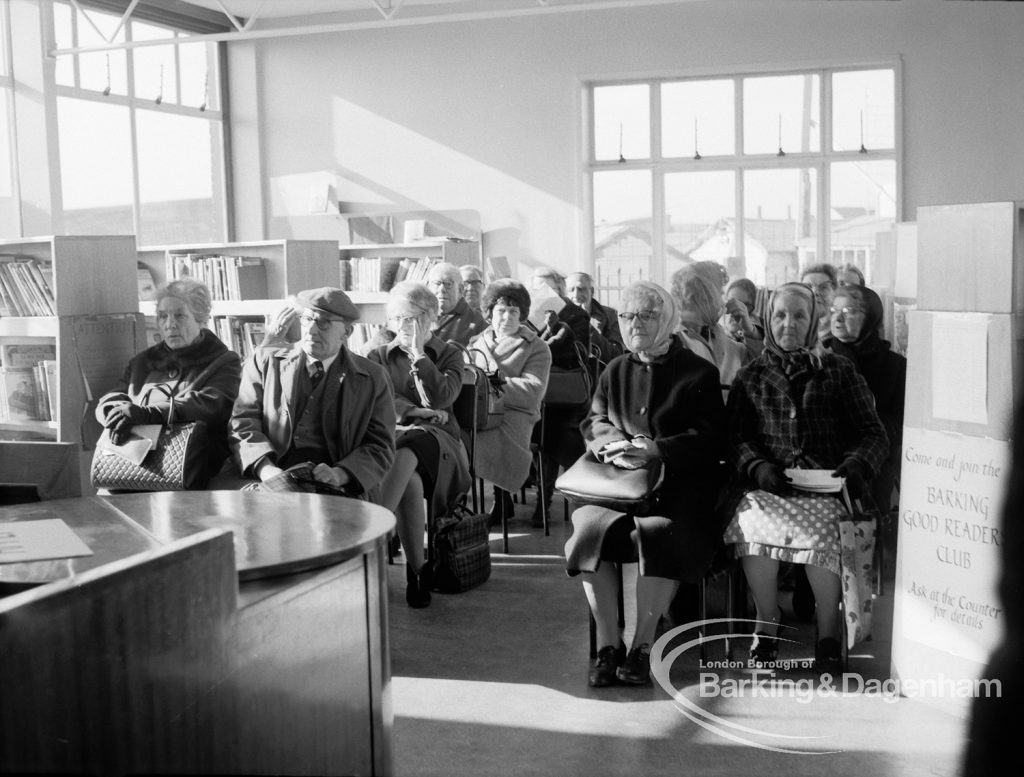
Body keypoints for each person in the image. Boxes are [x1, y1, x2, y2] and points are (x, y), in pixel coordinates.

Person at [722, 282, 889, 673]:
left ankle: (827, 631)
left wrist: (855, 465)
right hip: (770, 487)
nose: (789, 324)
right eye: (780, 315)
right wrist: (757, 467)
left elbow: (873, 432)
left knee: (822, 532)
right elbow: (735, 438)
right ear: (768, 318)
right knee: (750, 522)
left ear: (814, 321)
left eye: (799, 316)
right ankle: (768, 619)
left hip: (828, 489)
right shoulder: (752, 375)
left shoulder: (838, 369)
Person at [565, 280, 726, 687]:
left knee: (660, 532)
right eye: (627, 315)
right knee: (588, 531)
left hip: (678, 484)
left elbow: (711, 437)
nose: (635, 323)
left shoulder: (698, 372)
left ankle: (642, 645)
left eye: (647, 315)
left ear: (668, 319)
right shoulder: (616, 369)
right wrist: (610, 443)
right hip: (617, 484)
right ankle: (608, 645)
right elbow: (594, 420)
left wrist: (657, 449)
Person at [228, 286, 396, 502]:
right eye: (307, 319)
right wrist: (266, 469)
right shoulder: (265, 361)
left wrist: (340, 474)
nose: (311, 330)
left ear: (346, 332)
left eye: (324, 322)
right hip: (274, 469)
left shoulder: (372, 377)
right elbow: (243, 422)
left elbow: (380, 446)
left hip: (339, 481)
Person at [367, 281, 471, 608]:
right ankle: (417, 572)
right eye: (396, 319)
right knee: (409, 481)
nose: (402, 327)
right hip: (396, 434)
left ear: (431, 319)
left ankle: (368, 535)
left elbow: (442, 397)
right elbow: (377, 399)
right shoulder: (377, 355)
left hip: (443, 443)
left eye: (410, 319)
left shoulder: (450, 353)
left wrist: (418, 356)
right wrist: (413, 410)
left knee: (411, 445)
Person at [96, 278, 241, 486]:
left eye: (179, 315)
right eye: (163, 316)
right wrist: (115, 412)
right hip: (128, 467)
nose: (170, 324)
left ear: (201, 320)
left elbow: (212, 405)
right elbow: (114, 395)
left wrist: (149, 414)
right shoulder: (142, 362)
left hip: (190, 467)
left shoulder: (224, 361)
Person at [466, 279, 552, 524]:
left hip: (518, 412)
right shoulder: (475, 343)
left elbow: (533, 391)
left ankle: (501, 498)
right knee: (457, 437)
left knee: (488, 436)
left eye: (513, 311)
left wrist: (491, 385)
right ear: (490, 313)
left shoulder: (538, 347)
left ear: (522, 314)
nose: (507, 317)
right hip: (480, 411)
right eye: (501, 311)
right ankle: (457, 508)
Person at [822, 284, 907, 514]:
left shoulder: (894, 366)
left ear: (871, 317)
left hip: (874, 461)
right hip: (826, 461)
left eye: (849, 311)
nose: (838, 318)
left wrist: (867, 430)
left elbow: (900, 422)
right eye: (833, 310)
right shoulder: (821, 358)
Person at [529, 266, 592, 525]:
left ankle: (544, 502)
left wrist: (551, 332)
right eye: (537, 289)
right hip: (536, 391)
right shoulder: (525, 315)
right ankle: (517, 500)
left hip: (566, 393)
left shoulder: (575, 315)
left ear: (560, 290)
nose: (543, 294)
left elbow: (577, 355)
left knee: (550, 426)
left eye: (550, 289)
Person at [669, 261, 750, 391]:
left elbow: (757, 362)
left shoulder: (721, 338)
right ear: (704, 295)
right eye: (720, 293)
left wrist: (749, 330)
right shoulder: (672, 341)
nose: (724, 302)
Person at [566, 271, 625, 363]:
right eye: (571, 290)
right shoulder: (560, 317)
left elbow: (616, 356)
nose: (576, 295)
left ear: (592, 291)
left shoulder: (611, 315)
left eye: (581, 289)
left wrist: (585, 325)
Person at [427, 262, 488, 347]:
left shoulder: (476, 321)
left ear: (460, 290)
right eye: (437, 283)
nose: (442, 289)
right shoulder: (417, 314)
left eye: (448, 284)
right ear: (428, 288)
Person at [721, 277, 765, 353]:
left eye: (742, 306)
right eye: (731, 302)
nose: (734, 310)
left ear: (751, 308)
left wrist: (749, 331)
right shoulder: (719, 326)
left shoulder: (757, 328)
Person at [800, 262, 839, 340]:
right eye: (808, 287)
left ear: (835, 292)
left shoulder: (842, 331)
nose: (814, 292)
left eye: (823, 287)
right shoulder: (793, 329)